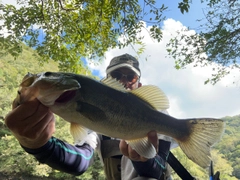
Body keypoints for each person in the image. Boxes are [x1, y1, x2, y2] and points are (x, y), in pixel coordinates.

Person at [5, 53, 173, 180]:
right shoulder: (94, 125)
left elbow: (157, 170)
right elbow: (82, 160)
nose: (124, 80)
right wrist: (39, 145)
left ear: (139, 85)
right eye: (115, 76)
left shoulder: (156, 115)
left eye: (131, 77)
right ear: (106, 80)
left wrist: (143, 160)